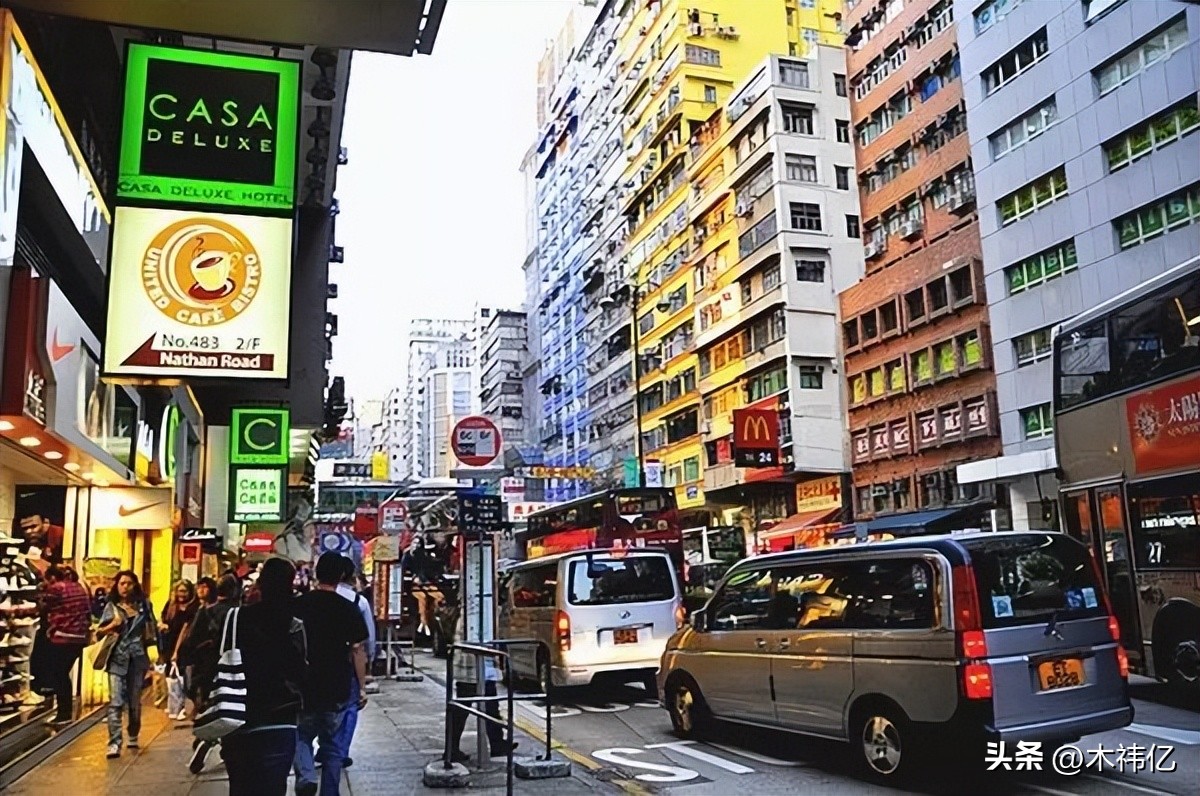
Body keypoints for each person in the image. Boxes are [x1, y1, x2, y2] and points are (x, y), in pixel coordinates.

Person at [219, 558, 308, 796]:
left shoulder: (234, 619)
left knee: (240, 788)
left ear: (260, 583)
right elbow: (300, 673)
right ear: (290, 584)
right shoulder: (293, 624)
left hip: (237, 716)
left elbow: (206, 659)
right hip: (279, 718)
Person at [292, 552, 369, 796]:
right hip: (337, 686)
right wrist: (362, 686)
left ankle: (305, 775)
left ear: (316, 573)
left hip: (304, 684)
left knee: (301, 734)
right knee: (333, 745)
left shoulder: (298, 605)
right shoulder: (349, 608)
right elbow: (358, 651)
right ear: (341, 576)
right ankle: (329, 792)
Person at [180, 573, 241, 773]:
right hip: (232, 667)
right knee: (231, 707)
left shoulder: (205, 612)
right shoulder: (239, 613)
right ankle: (222, 746)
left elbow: (190, 641)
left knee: (212, 706)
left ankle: (207, 738)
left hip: (206, 668)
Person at [96, 571, 160, 759]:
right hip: (117, 657)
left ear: (135, 586)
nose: (125, 587)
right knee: (115, 701)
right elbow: (98, 633)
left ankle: (133, 733)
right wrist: (111, 626)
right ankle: (114, 742)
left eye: (129, 583)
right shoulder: (111, 607)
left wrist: (157, 652)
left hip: (137, 658)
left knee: (134, 701)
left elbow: (152, 628)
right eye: (122, 583)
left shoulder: (144, 605)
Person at [447, 609, 517, 763]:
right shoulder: (474, 613)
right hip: (473, 667)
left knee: (488, 706)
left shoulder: (470, 611)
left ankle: (496, 743)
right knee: (465, 708)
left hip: (478, 667)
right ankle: (452, 748)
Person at [333, 557, 375, 768]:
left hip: (317, 663)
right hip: (348, 662)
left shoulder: (311, 599)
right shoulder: (359, 602)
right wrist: (368, 667)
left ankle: (327, 747)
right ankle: (340, 751)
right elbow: (368, 639)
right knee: (350, 706)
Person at [41, 565, 91, 724]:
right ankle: (65, 711)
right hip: (80, 637)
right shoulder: (80, 587)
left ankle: (64, 713)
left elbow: (41, 605)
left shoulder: (56, 588)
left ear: (53, 577)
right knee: (63, 673)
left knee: (59, 674)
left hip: (62, 636)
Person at [158, 580, 198, 719]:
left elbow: (185, 630)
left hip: (185, 646)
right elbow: (163, 619)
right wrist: (163, 626)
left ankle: (182, 706)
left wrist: (177, 651)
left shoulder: (193, 608)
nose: (182, 594)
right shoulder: (171, 605)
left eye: (184, 591)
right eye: (179, 591)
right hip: (169, 644)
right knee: (171, 676)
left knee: (183, 677)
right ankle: (175, 705)